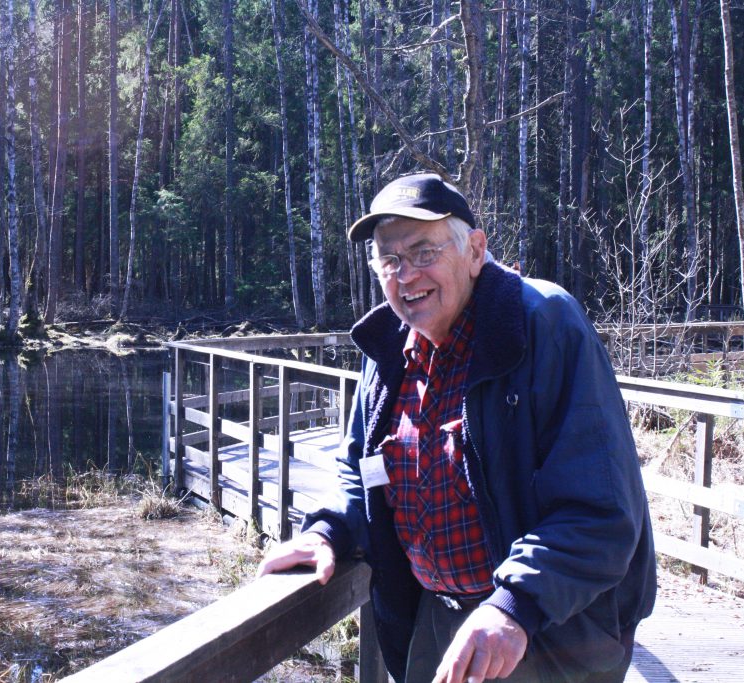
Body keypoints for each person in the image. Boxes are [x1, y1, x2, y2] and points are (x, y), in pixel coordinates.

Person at [257, 172, 657, 683]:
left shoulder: (543, 325)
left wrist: (514, 605)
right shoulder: (388, 354)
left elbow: (601, 509)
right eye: (390, 260)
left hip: (547, 630)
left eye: (424, 253)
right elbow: (361, 469)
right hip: (436, 624)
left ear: (474, 251)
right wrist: (330, 529)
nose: (406, 275)